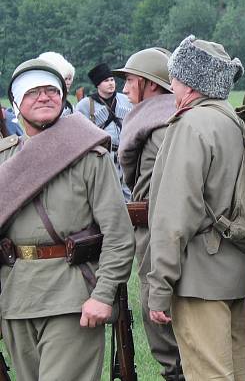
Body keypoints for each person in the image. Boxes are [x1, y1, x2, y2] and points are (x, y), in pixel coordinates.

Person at [0, 57, 135, 381]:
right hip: (16, 299)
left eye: (51, 90)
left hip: (72, 298)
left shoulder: (90, 157)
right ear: (17, 103)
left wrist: (102, 296)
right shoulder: (5, 158)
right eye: (33, 92)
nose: (44, 97)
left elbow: (118, 235)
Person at [147, 36, 245, 381]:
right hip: (232, 272)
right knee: (237, 372)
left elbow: (174, 215)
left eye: (175, 77)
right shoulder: (232, 121)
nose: (172, 84)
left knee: (210, 375)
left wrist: (159, 286)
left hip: (199, 278)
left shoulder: (191, 124)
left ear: (192, 83)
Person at [113, 48, 184, 381]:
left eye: (130, 80)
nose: (125, 89)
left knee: (159, 316)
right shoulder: (165, 120)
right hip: (156, 231)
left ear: (151, 85)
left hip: (159, 235)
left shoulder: (159, 128)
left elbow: (164, 196)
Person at [76, 62, 133, 199]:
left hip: (126, 153)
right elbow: (79, 133)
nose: (111, 83)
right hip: (103, 155)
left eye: (112, 79)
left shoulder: (125, 100)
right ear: (98, 84)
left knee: (129, 191)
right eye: (106, 80)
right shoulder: (85, 105)